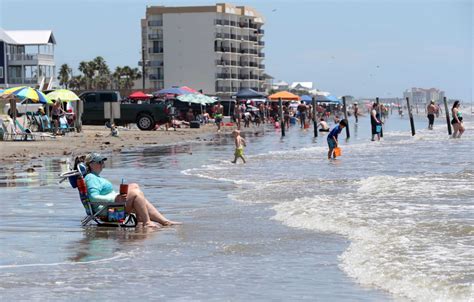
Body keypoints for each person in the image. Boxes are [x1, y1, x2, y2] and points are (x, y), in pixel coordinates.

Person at [84, 153, 181, 228]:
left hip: (111, 207)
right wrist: (114, 198)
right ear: (91, 164)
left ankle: (160, 221)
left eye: (102, 162)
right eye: (99, 162)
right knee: (136, 193)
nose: (102, 164)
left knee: (134, 186)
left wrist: (116, 197)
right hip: (109, 212)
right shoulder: (91, 178)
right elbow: (93, 198)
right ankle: (147, 222)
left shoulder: (95, 177)